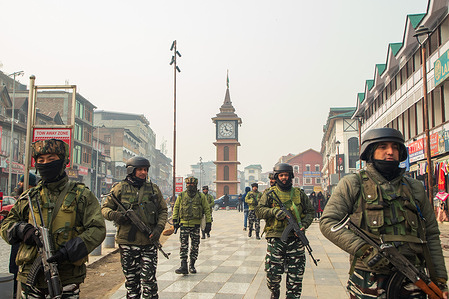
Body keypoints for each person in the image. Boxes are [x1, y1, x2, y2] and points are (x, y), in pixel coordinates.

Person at [320, 128, 448, 298]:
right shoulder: (353, 183)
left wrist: (439, 280)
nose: (390, 152)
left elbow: (431, 234)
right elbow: (328, 222)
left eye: (395, 147)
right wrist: (364, 250)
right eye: (383, 147)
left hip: (413, 277)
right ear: (371, 151)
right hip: (369, 278)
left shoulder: (414, 188)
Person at [0, 138, 106, 298]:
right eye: (41, 160)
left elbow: (97, 229)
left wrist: (69, 251)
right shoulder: (29, 197)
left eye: (51, 159)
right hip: (31, 278)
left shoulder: (81, 195)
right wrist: (22, 230)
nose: (45, 164)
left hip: (66, 277)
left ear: (63, 162)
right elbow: (6, 225)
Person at [102, 156, 167, 298]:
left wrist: (158, 229)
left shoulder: (153, 189)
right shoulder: (119, 188)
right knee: (131, 282)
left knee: (149, 282)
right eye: (140, 170)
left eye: (145, 170)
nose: (143, 172)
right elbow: (105, 209)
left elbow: (163, 210)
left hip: (149, 242)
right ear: (131, 170)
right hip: (127, 243)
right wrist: (116, 216)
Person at [256, 163, 314, 299]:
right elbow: (259, 211)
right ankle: (274, 291)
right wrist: (273, 211)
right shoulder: (269, 194)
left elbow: (310, 212)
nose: (284, 178)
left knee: (296, 277)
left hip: (296, 240)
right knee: (272, 274)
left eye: (286, 175)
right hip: (276, 239)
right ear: (276, 177)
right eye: (281, 175)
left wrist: (304, 225)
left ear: (291, 176)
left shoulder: (299, 194)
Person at [173, 176, 212, 274]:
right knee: (183, 245)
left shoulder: (200, 196)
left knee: (195, 246)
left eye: (192, 184)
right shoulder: (181, 195)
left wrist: (208, 222)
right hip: (184, 224)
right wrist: (175, 220)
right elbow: (176, 207)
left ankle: (192, 265)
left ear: (195, 185)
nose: (190, 186)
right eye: (188, 184)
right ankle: (183, 266)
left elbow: (207, 209)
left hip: (195, 225)